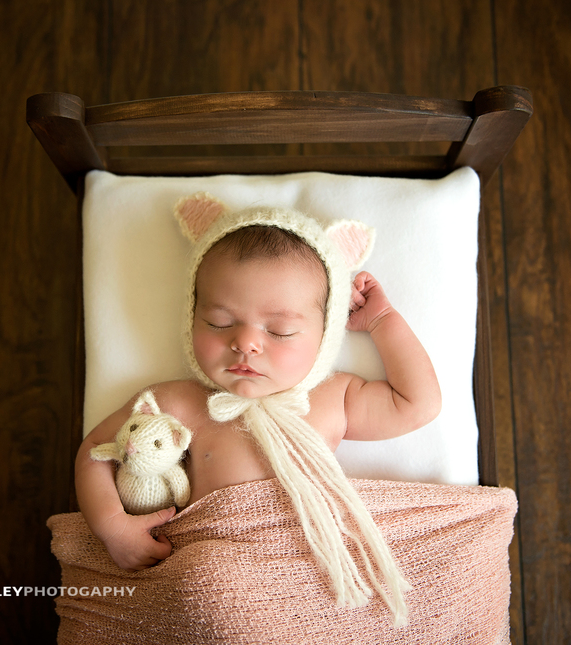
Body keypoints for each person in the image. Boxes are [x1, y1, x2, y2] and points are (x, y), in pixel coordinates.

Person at [75, 201, 441, 623]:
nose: (246, 342)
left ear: (324, 333)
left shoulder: (332, 398)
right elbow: (95, 450)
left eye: (280, 331)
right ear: (191, 319)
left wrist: (383, 321)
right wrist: (112, 527)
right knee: (205, 582)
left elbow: (418, 404)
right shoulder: (180, 403)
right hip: (219, 570)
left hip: (311, 572)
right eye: (218, 322)